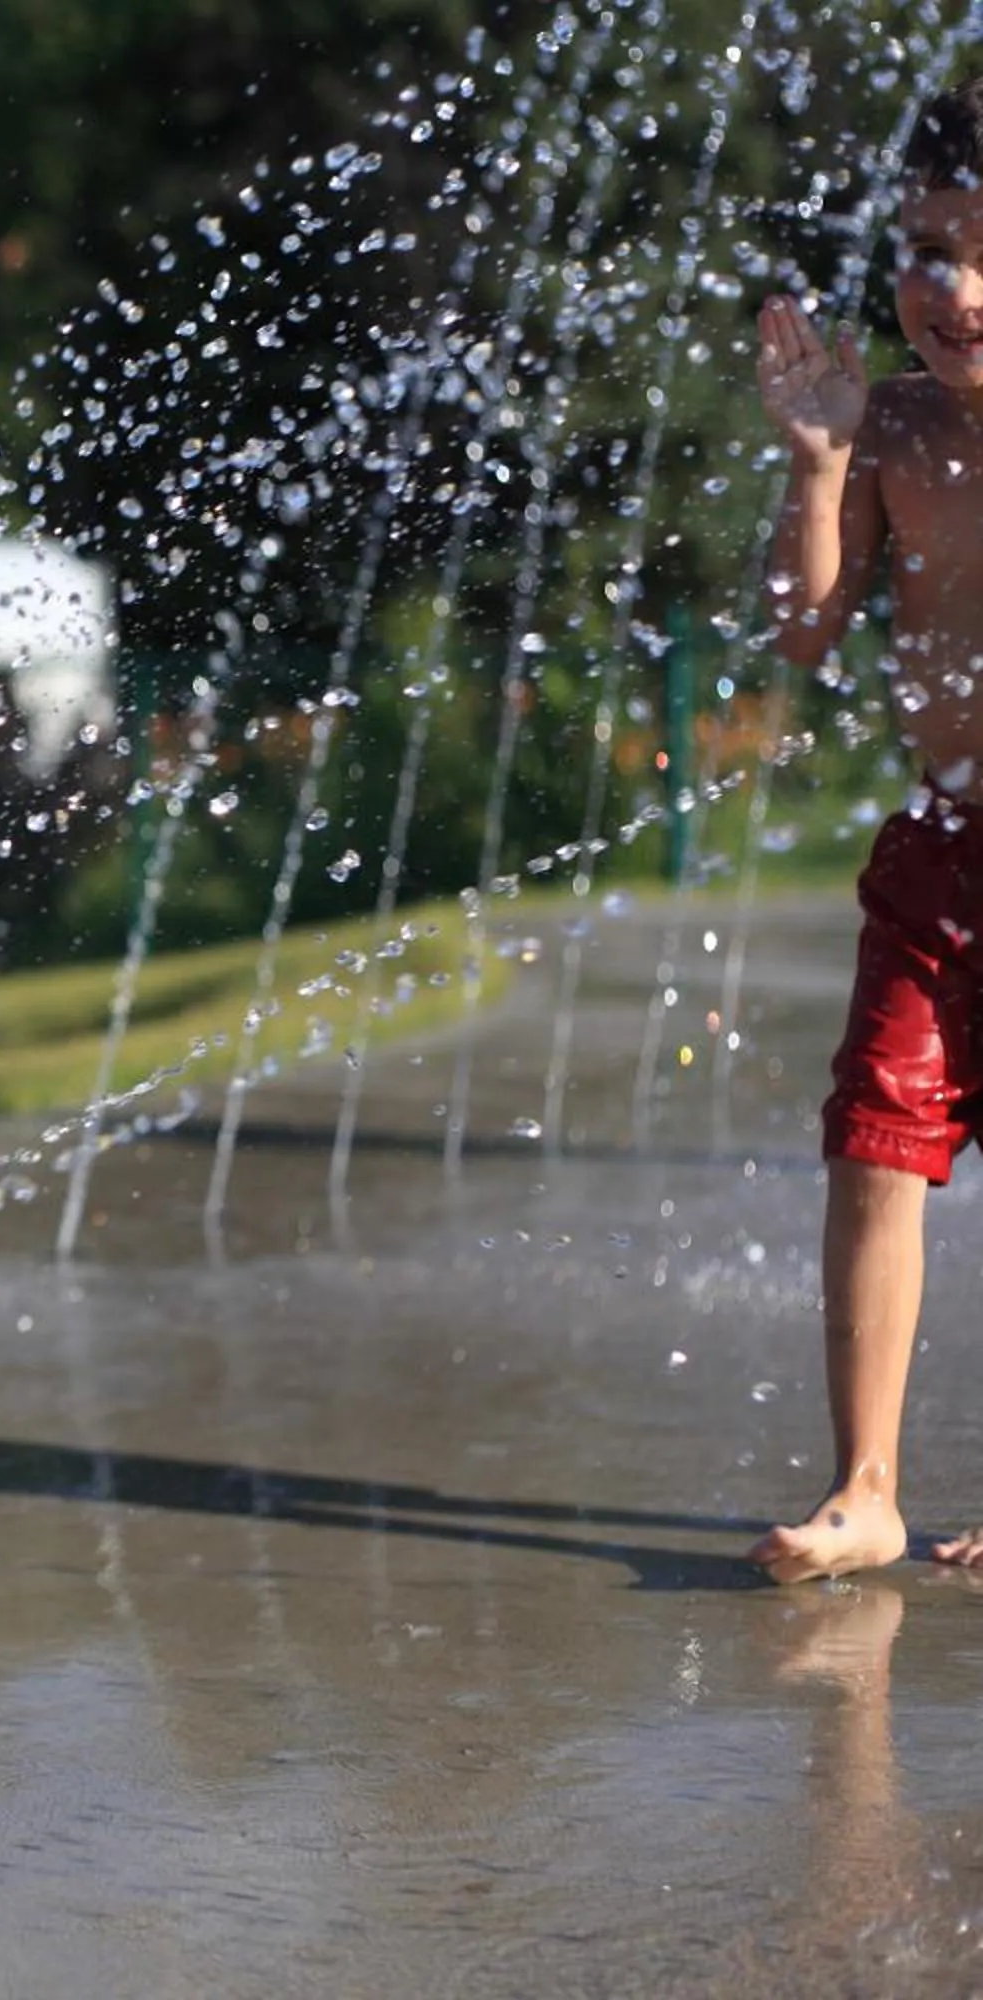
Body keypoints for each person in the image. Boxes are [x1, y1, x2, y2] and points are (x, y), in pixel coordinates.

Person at [749, 79, 983, 1581]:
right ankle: (869, 1488)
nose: (951, 289)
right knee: (873, 1144)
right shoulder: (892, 426)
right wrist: (821, 467)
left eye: (982, 251)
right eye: (926, 250)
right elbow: (805, 636)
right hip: (941, 851)